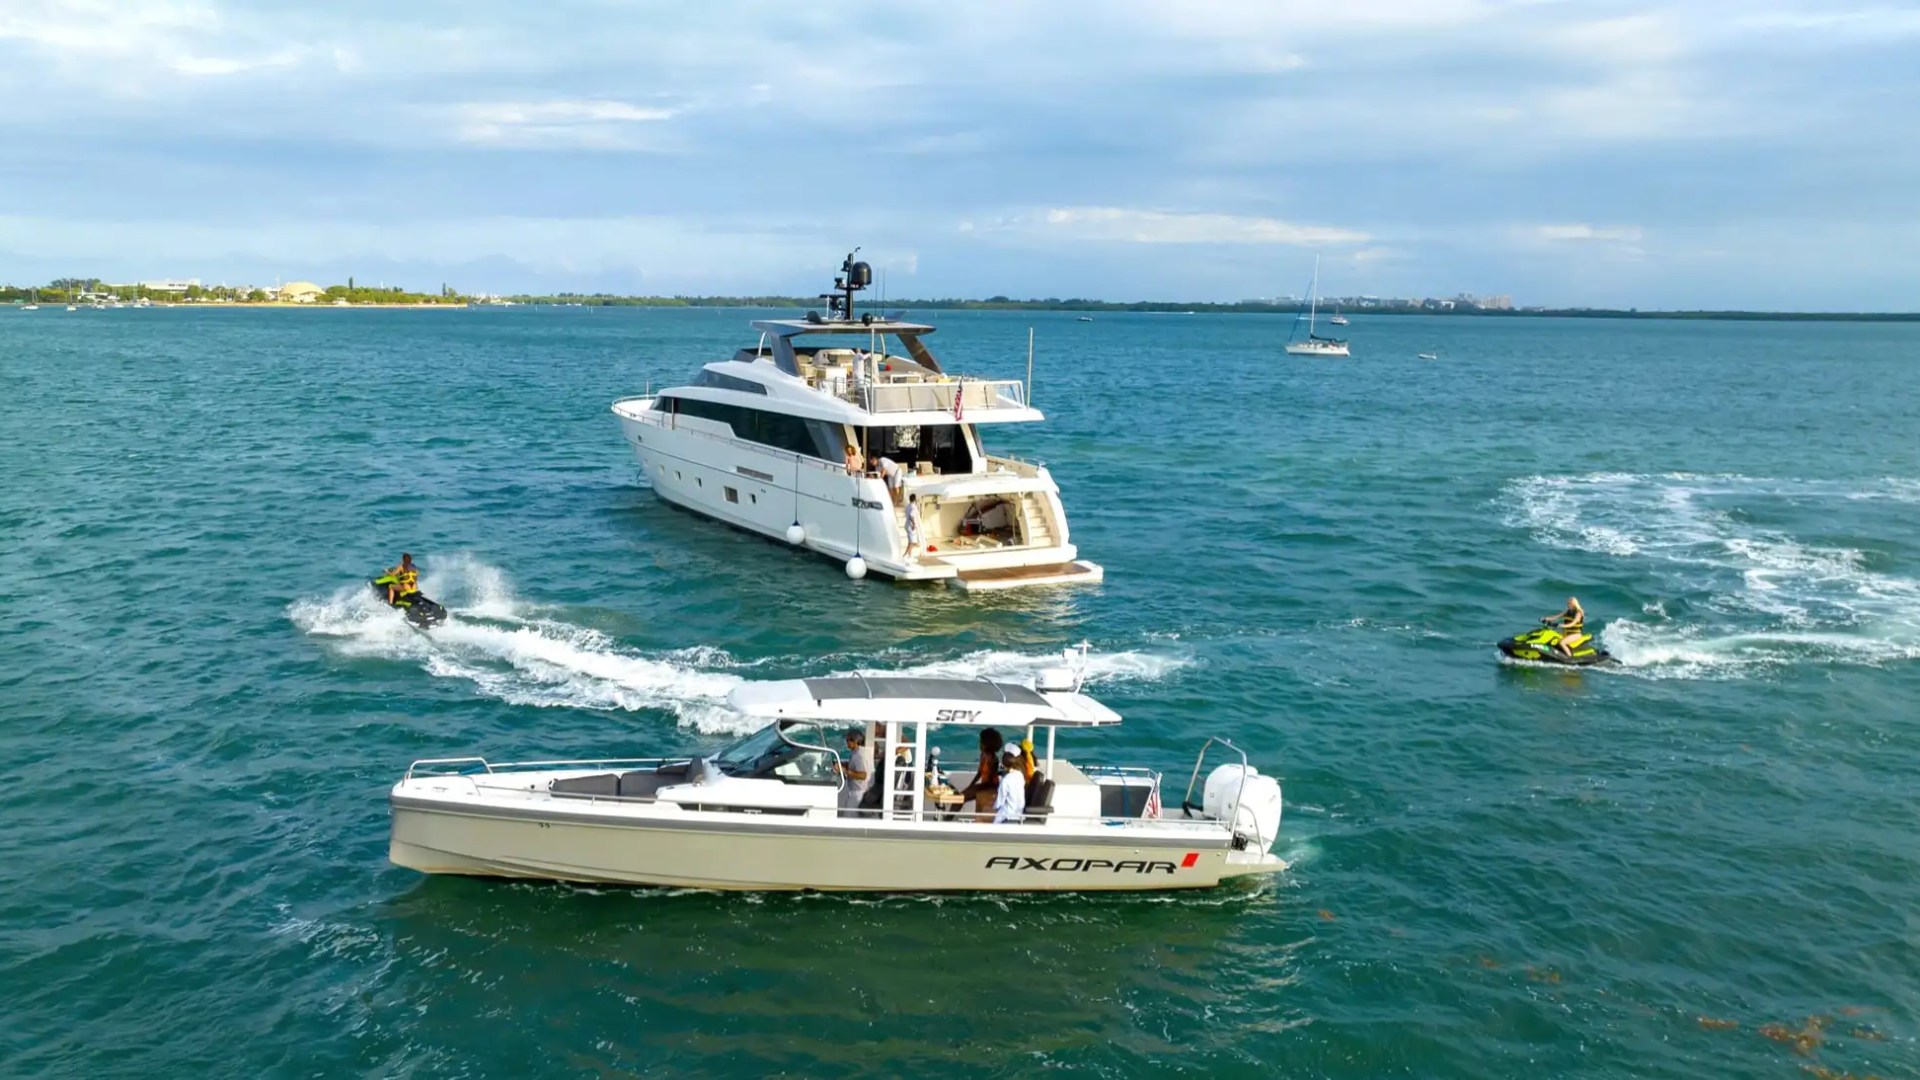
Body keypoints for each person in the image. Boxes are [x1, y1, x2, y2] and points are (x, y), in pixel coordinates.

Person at [959, 727, 1005, 821]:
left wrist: (976, 788)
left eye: (981, 741)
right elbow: (980, 773)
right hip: (984, 784)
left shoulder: (993, 759)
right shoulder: (983, 755)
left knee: (960, 798)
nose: (979, 743)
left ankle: (947, 819)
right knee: (961, 796)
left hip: (990, 786)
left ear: (987, 744)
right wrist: (971, 786)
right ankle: (947, 819)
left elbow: (991, 781)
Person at [837, 727, 871, 817]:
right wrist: (841, 764)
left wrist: (844, 771)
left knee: (847, 818)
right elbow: (854, 766)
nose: (846, 742)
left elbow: (863, 775)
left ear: (855, 741)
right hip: (855, 792)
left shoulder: (860, 755)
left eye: (848, 740)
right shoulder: (856, 752)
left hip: (858, 793)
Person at [993, 744, 1027, 824]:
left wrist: (991, 807)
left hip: (1007, 815)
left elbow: (999, 803)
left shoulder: (1006, 781)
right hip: (1018, 813)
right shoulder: (1020, 775)